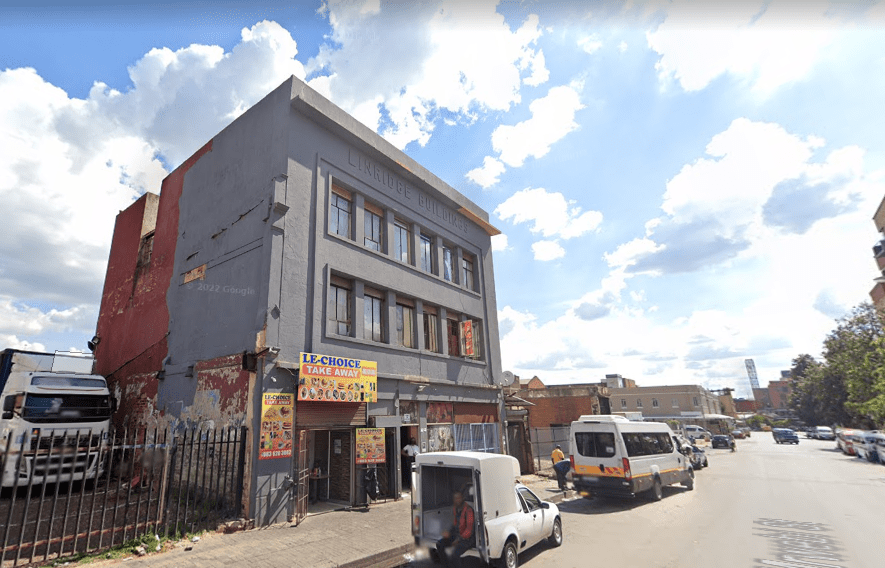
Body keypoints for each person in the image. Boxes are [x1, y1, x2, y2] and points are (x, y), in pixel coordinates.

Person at [435, 491, 475, 568]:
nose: (457, 500)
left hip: (467, 539)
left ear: (462, 498)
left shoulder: (469, 510)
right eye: (455, 498)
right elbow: (455, 524)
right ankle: (446, 565)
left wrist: (458, 540)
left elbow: (469, 530)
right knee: (439, 544)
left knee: (454, 554)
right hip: (456, 536)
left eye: (459, 498)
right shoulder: (456, 509)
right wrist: (449, 533)